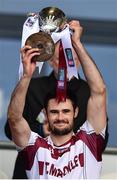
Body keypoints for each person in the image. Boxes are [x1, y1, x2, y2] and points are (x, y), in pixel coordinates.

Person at [7, 19, 107, 179]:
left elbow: (99, 91)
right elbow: (13, 120)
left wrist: (77, 44)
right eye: (54, 111)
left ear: (76, 112)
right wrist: (26, 76)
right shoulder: (36, 146)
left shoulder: (87, 140)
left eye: (66, 111)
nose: (60, 117)